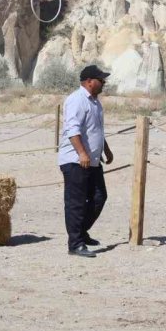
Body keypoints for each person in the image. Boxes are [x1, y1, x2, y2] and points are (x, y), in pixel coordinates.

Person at [58, 65, 114, 258]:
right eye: (101, 79)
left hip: (93, 161)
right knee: (76, 203)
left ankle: (81, 232)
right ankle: (75, 244)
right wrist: (81, 153)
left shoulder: (96, 103)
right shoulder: (76, 100)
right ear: (89, 81)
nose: (104, 83)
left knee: (99, 197)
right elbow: (73, 130)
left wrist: (106, 150)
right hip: (75, 161)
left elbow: (96, 130)